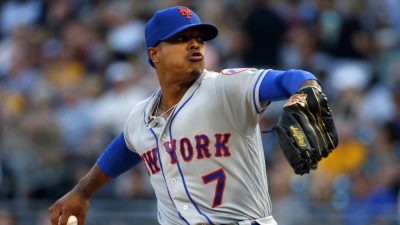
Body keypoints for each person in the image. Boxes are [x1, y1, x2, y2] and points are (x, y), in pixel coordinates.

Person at [49, 6, 326, 225]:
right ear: (154, 54)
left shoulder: (225, 88)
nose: (194, 44)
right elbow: (126, 147)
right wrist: (83, 191)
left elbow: (289, 79)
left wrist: (306, 89)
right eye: (181, 39)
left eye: (198, 39)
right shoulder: (141, 116)